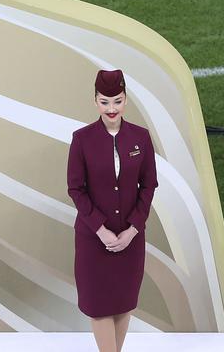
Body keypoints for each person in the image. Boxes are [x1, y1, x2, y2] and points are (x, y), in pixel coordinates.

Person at [67, 69, 158, 352]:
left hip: (130, 240)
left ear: (125, 100)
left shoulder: (140, 138)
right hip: (94, 241)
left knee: (122, 303)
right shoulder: (82, 139)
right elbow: (75, 189)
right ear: (95, 101)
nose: (111, 108)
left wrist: (133, 229)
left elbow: (148, 186)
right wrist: (100, 229)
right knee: (100, 307)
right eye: (105, 101)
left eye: (117, 101)